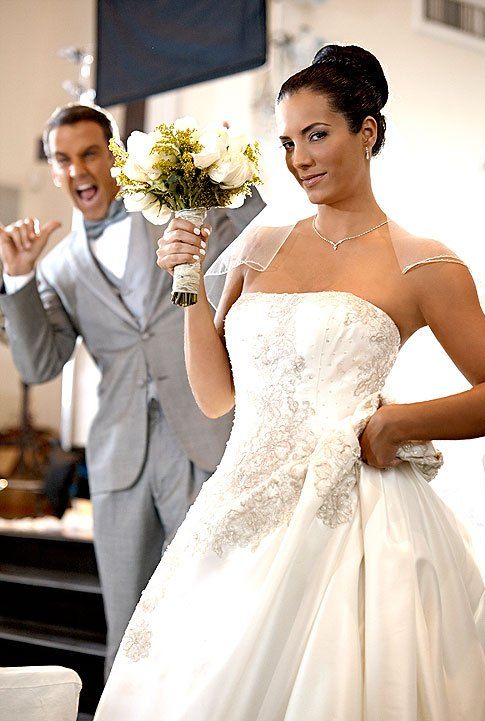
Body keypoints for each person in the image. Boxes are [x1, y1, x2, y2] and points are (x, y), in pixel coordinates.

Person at [94, 45, 485, 720]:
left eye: (317, 135)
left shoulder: (426, 266)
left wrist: (400, 423)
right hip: (238, 510)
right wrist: (186, 280)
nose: (299, 158)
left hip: (353, 524)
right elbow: (217, 394)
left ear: (366, 131)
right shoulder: (260, 246)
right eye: (287, 141)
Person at [0, 103, 265, 675]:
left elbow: (260, 244)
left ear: (115, 157)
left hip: (205, 438)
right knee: (129, 627)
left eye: (90, 153)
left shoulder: (181, 216)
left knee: (210, 613)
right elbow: (41, 363)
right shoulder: (58, 266)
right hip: (119, 464)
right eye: (62, 160)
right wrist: (19, 277)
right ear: (53, 171)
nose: (78, 171)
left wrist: (224, 173)